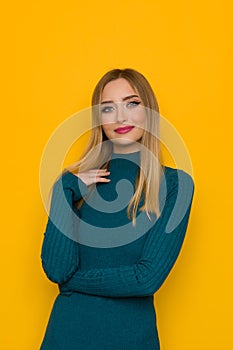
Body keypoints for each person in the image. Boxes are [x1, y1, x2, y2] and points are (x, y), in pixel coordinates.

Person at [40, 68, 195, 349]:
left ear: (149, 111)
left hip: (132, 339)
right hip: (67, 335)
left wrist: (74, 282)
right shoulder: (74, 184)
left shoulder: (175, 185)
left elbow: (145, 279)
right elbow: (56, 270)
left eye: (132, 103)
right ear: (99, 119)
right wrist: (65, 189)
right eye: (108, 108)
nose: (120, 117)